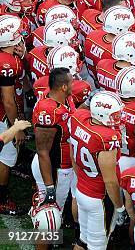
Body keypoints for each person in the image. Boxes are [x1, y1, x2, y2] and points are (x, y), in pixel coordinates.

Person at [69, 91, 127, 250]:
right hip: (99, 198)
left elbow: (72, 156)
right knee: (98, 246)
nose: (119, 117)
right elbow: (110, 180)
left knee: (82, 240)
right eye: (116, 114)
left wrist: (81, 177)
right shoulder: (107, 137)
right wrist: (120, 207)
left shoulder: (78, 118)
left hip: (81, 188)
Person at [32, 68, 75, 212]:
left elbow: (70, 117)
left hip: (62, 164)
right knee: (52, 215)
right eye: (71, 82)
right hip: (56, 167)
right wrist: (50, 187)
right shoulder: (49, 111)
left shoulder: (62, 97)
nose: (73, 85)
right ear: (63, 87)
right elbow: (43, 151)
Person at [0, 15, 27, 215]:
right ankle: (1, 198)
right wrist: (16, 126)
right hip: (1, 114)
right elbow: (8, 100)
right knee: (6, 156)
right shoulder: (7, 63)